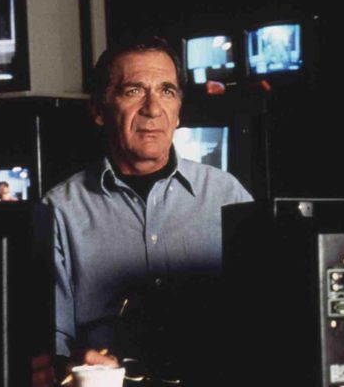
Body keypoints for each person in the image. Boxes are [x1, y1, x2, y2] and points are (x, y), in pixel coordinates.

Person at [41, 36, 253, 382]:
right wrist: (72, 364)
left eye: (167, 91)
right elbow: (51, 340)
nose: (153, 109)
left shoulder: (228, 195)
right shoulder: (59, 211)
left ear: (178, 111)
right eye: (134, 91)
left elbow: (264, 311)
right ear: (99, 110)